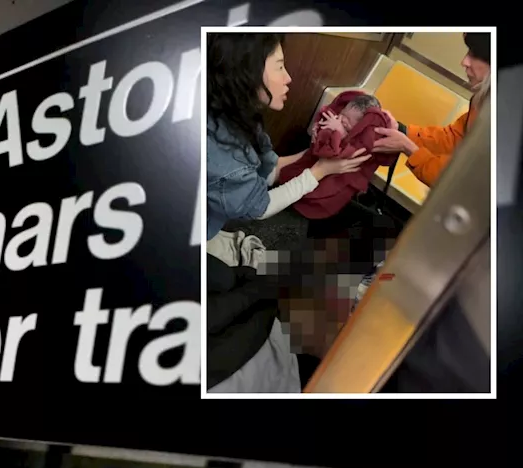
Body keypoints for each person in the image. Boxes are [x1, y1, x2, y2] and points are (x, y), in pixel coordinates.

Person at [205, 33, 370, 393]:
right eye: (280, 66)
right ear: (246, 74)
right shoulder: (216, 150)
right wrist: (321, 171)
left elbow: (272, 169)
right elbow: (258, 206)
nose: (289, 77)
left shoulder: (241, 119)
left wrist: (319, 157)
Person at [371, 31, 491, 187]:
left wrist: (408, 147)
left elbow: (463, 181)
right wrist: (403, 131)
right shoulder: (483, 101)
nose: (464, 62)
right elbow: (455, 138)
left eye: (474, 54)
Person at [277, 92, 400, 220]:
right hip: (313, 168)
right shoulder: (339, 117)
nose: (340, 122)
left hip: (334, 183)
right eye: (341, 116)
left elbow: (347, 150)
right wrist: (320, 129)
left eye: (346, 126)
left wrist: (338, 133)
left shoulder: (365, 142)